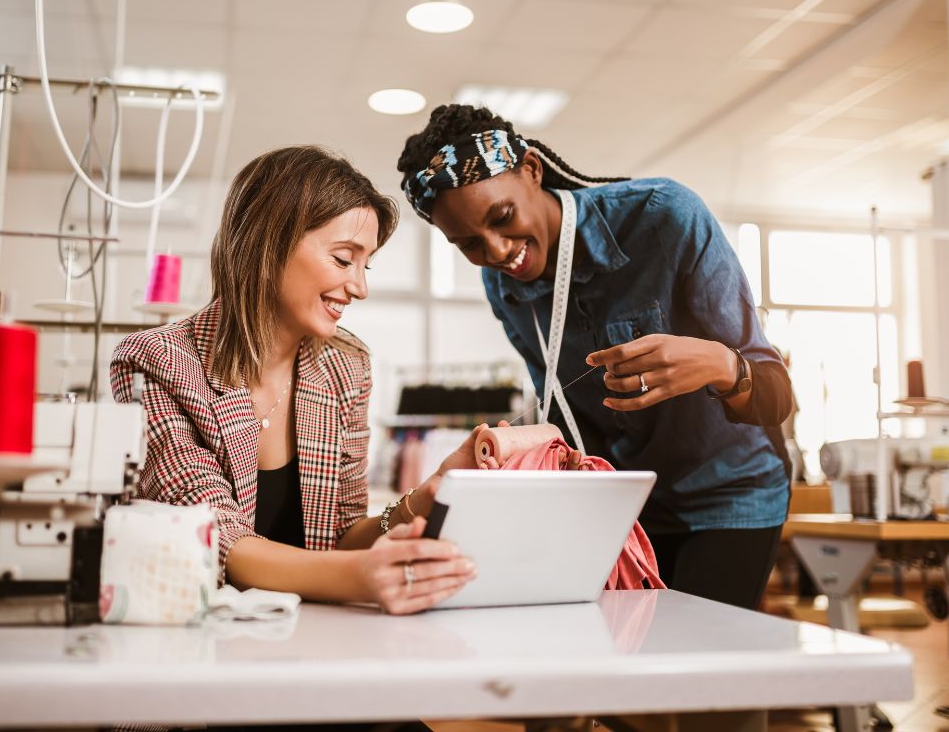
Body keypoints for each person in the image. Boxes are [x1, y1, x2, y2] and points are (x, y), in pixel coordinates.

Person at [395, 105, 794, 610]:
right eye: (469, 244)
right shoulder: (503, 285)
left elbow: (775, 396)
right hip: (622, 509)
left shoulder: (664, 217)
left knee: (692, 668)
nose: (496, 252)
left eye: (502, 218)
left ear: (532, 170)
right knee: (618, 664)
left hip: (727, 497)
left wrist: (719, 364)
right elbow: (564, 412)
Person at [110, 146, 479, 619]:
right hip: (197, 635)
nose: (360, 287)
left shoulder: (346, 366)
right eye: (345, 259)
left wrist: (423, 496)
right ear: (271, 241)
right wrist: (361, 577)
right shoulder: (157, 362)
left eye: (366, 266)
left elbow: (342, 535)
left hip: (313, 635)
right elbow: (214, 538)